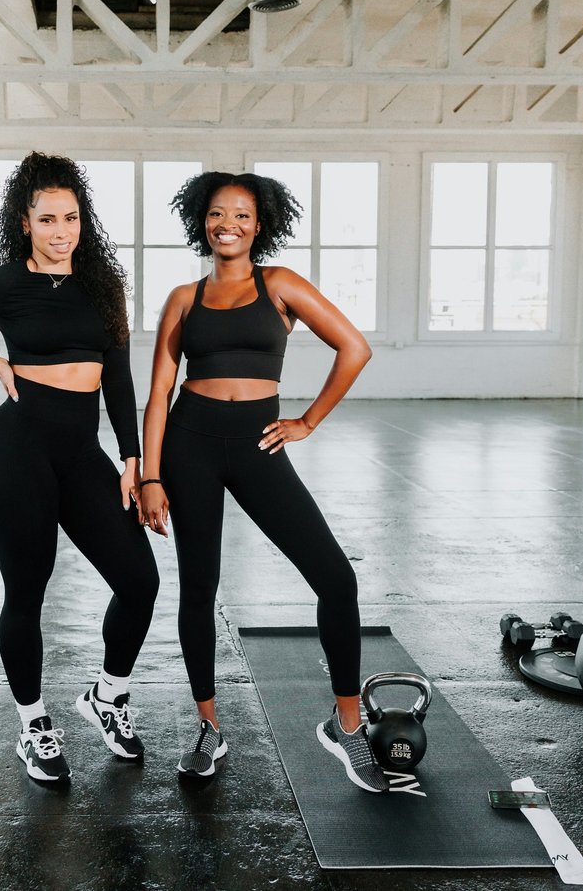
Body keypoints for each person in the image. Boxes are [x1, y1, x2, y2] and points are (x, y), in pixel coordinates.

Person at [0, 152, 158, 783]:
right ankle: (33, 724)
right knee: (29, 587)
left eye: (71, 217)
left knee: (139, 580)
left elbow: (119, 382)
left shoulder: (104, 286)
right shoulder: (2, 282)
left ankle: (107, 695)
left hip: (81, 453)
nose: (61, 231)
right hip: (15, 451)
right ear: (25, 222)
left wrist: (132, 458)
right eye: (47, 219)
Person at [138, 171, 382, 792]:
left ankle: (347, 725)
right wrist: (151, 475)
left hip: (256, 439)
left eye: (242, 216)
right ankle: (207, 726)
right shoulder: (184, 298)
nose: (229, 225)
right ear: (202, 220)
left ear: (260, 224)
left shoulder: (279, 284)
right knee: (198, 588)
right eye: (218, 214)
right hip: (189, 441)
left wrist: (306, 421)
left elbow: (354, 347)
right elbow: (159, 392)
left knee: (335, 577)